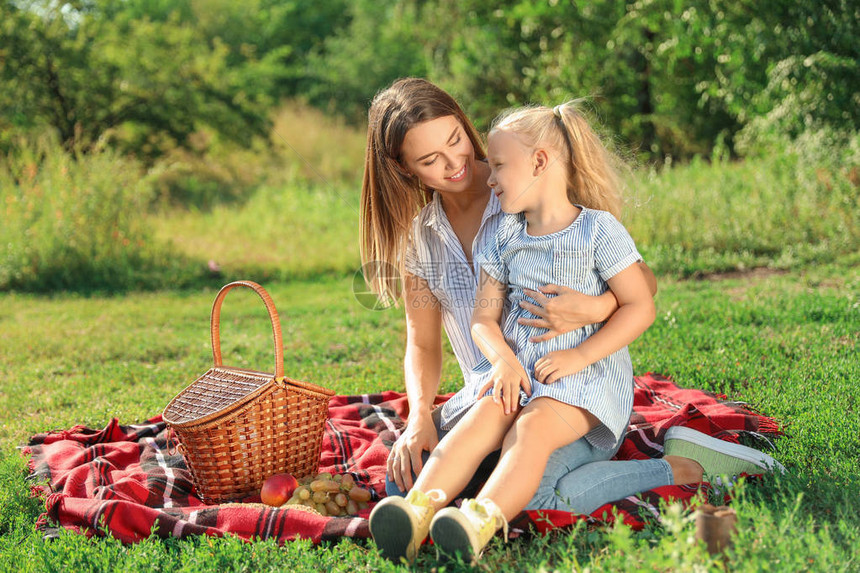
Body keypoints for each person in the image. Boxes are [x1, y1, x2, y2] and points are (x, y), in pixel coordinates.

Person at [360, 79, 783, 563]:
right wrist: (418, 418)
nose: (455, 163)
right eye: (429, 160)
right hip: (497, 391)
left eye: (455, 140)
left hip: (573, 388)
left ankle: (676, 468)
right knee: (402, 477)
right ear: (402, 169)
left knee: (533, 498)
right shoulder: (424, 238)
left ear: (464, 125)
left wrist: (597, 308)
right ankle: (431, 508)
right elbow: (424, 343)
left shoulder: (525, 177)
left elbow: (642, 287)